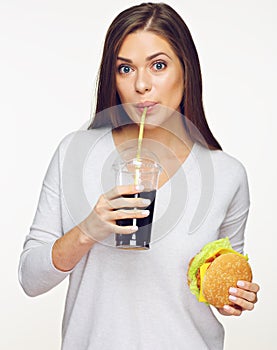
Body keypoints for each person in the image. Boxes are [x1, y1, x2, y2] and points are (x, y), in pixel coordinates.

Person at [18, 3, 260, 349]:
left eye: (158, 65)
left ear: (186, 71)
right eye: (125, 69)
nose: (142, 84)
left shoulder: (226, 174)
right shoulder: (75, 153)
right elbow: (30, 278)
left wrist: (228, 294)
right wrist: (88, 231)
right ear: (112, 78)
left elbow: (217, 279)